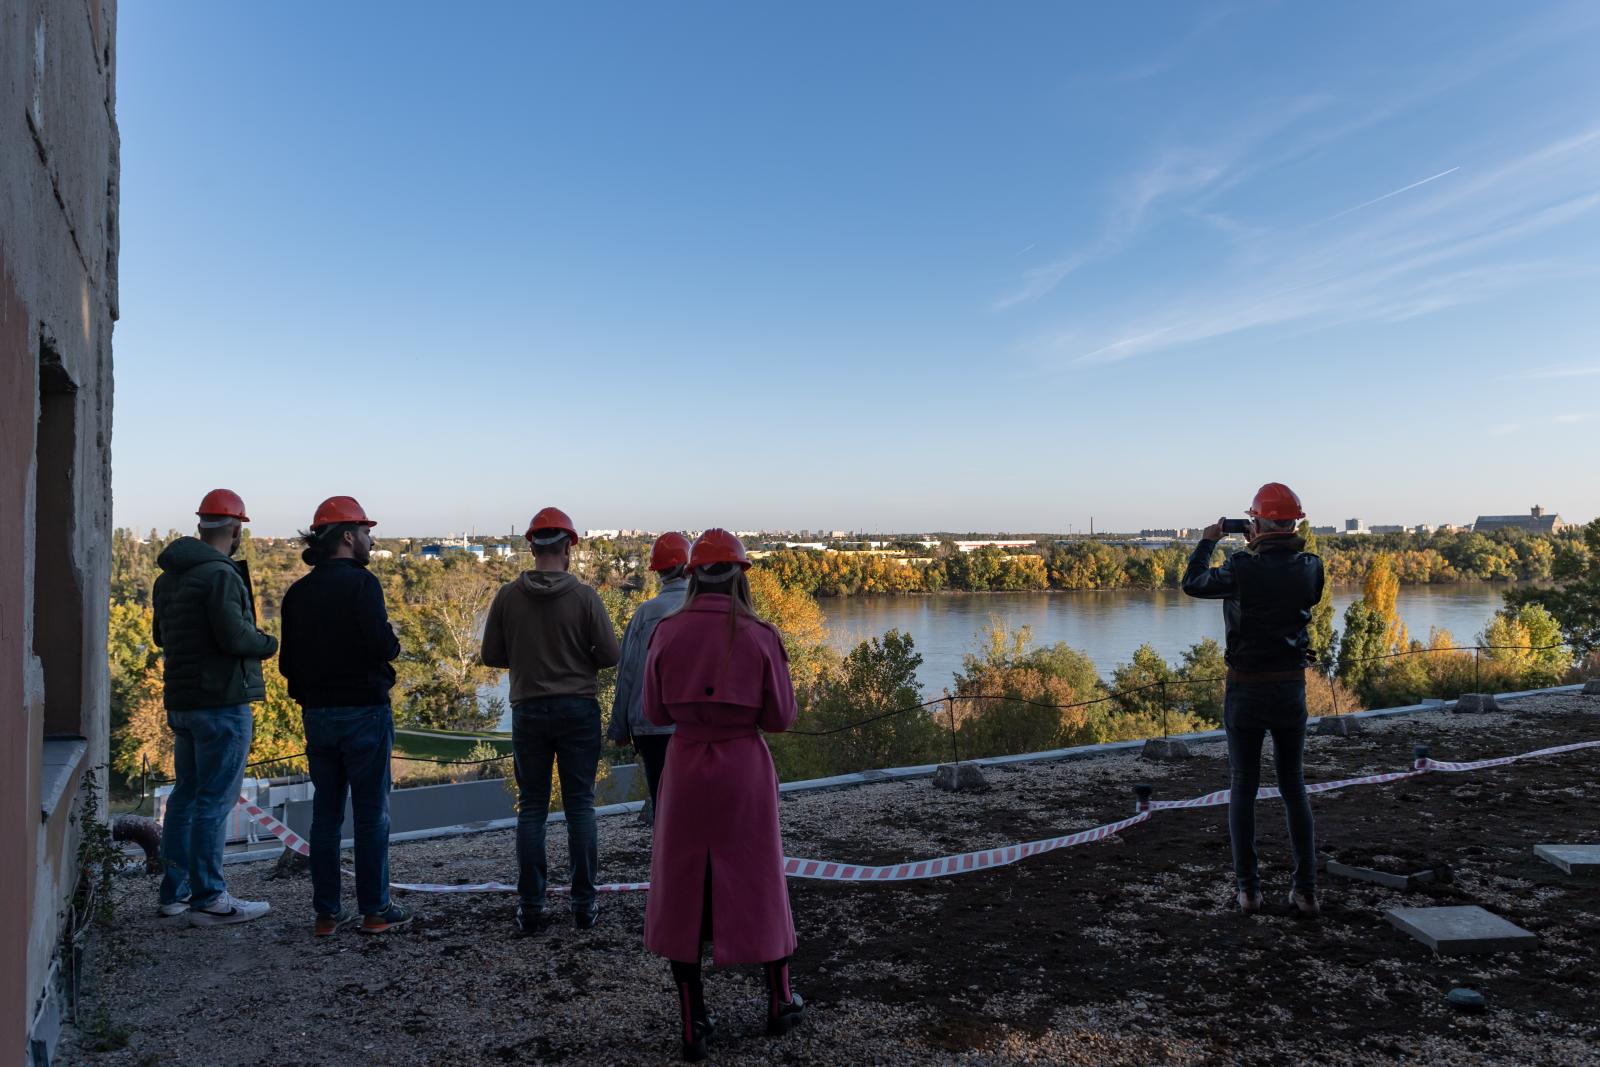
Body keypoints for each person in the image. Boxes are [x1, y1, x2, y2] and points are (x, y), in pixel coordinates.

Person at [641, 528, 804, 1062]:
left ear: (691, 576)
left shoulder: (666, 632)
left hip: (687, 767)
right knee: (761, 878)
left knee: (683, 889)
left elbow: (655, 713)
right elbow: (780, 718)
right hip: (742, 771)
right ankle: (779, 1001)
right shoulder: (760, 635)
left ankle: (693, 1022)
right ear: (740, 575)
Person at [1182, 482, 1326, 918]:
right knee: (1293, 786)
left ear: (1257, 521)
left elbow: (1193, 584)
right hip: (1290, 687)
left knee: (1243, 786)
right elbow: (1294, 592)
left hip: (1246, 688)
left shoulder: (1241, 568)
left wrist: (1208, 542)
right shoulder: (1311, 567)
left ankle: (1249, 891)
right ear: (1294, 522)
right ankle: (1306, 892)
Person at [481, 506, 620, 933]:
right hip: (577, 708)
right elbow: (611, 656)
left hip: (528, 710)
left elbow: (491, 655)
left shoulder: (507, 596)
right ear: (568, 547)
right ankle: (584, 905)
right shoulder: (584, 597)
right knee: (580, 806)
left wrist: (527, 657)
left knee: (532, 809)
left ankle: (532, 906)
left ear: (531, 546)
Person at [280, 496, 411, 936]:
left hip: (318, 716)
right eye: (368, 533)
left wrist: (308, 699)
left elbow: (287, 665)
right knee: (372, 813)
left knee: (325, 815)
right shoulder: (362, 585)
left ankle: (326, 915)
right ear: (349, 536)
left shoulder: (297, 593)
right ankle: (375, 909)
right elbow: (380, 644)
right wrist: (391, 646)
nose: (372, 541)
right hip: (365, 713)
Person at [151, 489, 278, 927]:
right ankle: (211, 897)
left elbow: (161, 638)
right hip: (221, 702)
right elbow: (236, 638)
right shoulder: (221, 575)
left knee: (185, 798)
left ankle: (175, 894)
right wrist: (270, 644)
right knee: (215, 802)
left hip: (182, 702)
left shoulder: (168, 578)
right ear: (235, 528)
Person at [606, 532, 692, 815]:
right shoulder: (706, 610)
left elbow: (627, 672)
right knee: (694, 802)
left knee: (662, 803)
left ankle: (665, 856)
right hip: (693, 725)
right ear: (689, 565)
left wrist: (619, 728)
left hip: (650, 726)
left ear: (658, 572)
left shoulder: (646, 613)